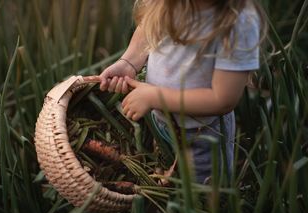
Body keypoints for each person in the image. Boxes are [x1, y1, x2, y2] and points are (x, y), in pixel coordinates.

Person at [98, 0, 266, 184]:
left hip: (200, 137)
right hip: (161, 122)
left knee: (201, 199)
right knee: (166, 182)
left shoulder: (237, 22)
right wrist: (129, 62)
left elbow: (223, 99)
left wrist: (155, 97)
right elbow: (149, 24)